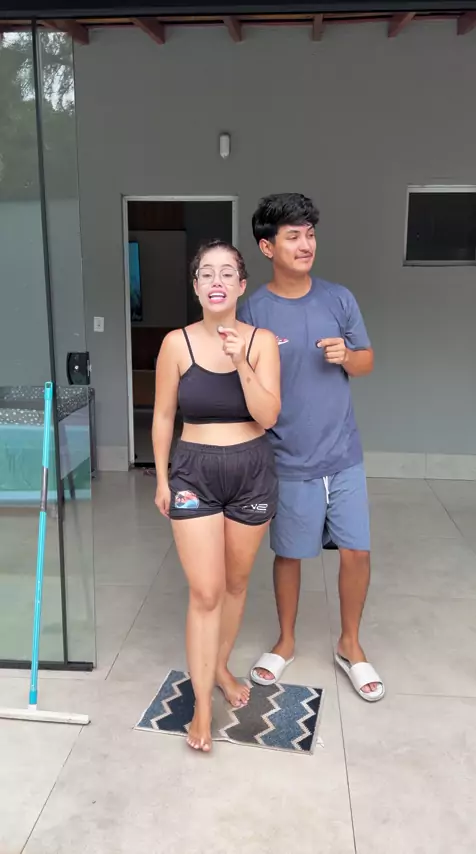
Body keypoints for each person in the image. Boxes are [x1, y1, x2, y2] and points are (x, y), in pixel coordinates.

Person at [237, 193, 384, 702]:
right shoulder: (253, 310)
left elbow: (367, 361)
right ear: (267, 247)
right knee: (290, 554)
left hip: (343, 453)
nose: (306, 245)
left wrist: (348, 356)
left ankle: (350, 644)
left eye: (311, 235)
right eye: (293, 236)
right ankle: (285, 641)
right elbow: (244, 385)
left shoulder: (339, 299)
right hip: (287, 457)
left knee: (356, 551)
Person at [152, 239, 281, 752]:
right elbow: (164, 416)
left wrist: (241, 361)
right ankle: (202, 707)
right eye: (206, 273)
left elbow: (268, 415)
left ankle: (222, 666)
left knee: (235, 583)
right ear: (196, 287)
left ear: (242, 285)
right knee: (205, 592)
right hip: (193, 474)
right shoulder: (176, 344)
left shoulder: (262, 342)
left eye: (227, 272)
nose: (217, 281)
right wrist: (162, 479)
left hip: (251, 470)